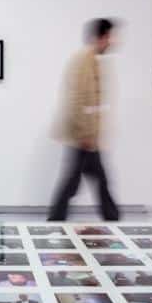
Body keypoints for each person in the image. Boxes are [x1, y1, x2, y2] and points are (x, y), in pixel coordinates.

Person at [48, 18, 120, 221]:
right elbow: (77, 99)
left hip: (86, 136)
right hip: (82, 136)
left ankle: (110, 216)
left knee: (90, 180)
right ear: (101, 37)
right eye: (110, 37)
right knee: (79, 181)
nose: (112, 42)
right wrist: (85, 134)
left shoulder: (90, 59)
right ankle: (111, 217)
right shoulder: (83, 60)